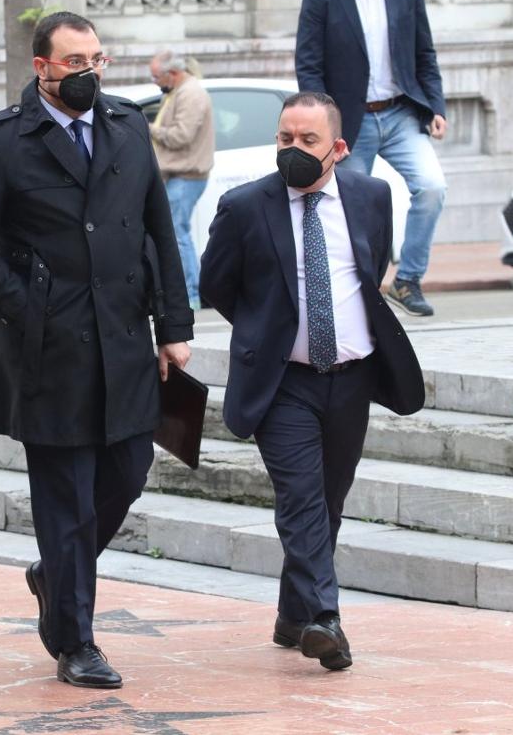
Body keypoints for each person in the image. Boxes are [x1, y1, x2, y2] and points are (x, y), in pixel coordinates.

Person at [0, 11, 193, 690]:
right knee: (67, 499)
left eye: (96, 59)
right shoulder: (1, 142)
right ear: (42, 69)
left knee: (129, 471)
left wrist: (174, 324)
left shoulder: (126, 128)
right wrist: (32, 307)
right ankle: (76, 640)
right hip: (48, 352)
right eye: (74, 62)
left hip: (124, 340)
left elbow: (158, 229)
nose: (88, 72)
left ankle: (54, 575)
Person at [200, 91, 424, 671]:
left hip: (351, 379)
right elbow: (218, 285)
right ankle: (325, 619)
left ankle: (291, 613)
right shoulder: (246, 206)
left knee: (328, 501)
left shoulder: (371, 196)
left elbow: (370, 268)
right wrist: (265, 331)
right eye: (284, 138)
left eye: (308, 141)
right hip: (283, 383)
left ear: (339, 148)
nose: (293, 150)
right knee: (300, 499)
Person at [295, 0, 448, 317]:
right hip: (350, 121)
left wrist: (435, 105)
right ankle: (359, 289)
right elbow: (308, 65)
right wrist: (322, 123)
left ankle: (407, 279)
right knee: (349, 209)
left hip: (400, 113)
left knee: (432, 187)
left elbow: (424, 52)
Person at [148, 50, 214, 310]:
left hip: (186, 176)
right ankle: (188, 292)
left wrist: (148, 127)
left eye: (156, 76)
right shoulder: (180, 92)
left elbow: (180, 136)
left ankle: (191, 294)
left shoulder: (190, 93)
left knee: (178, 234)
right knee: (178, 232)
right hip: (179, 175)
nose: (155, 81)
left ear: (172, 73)